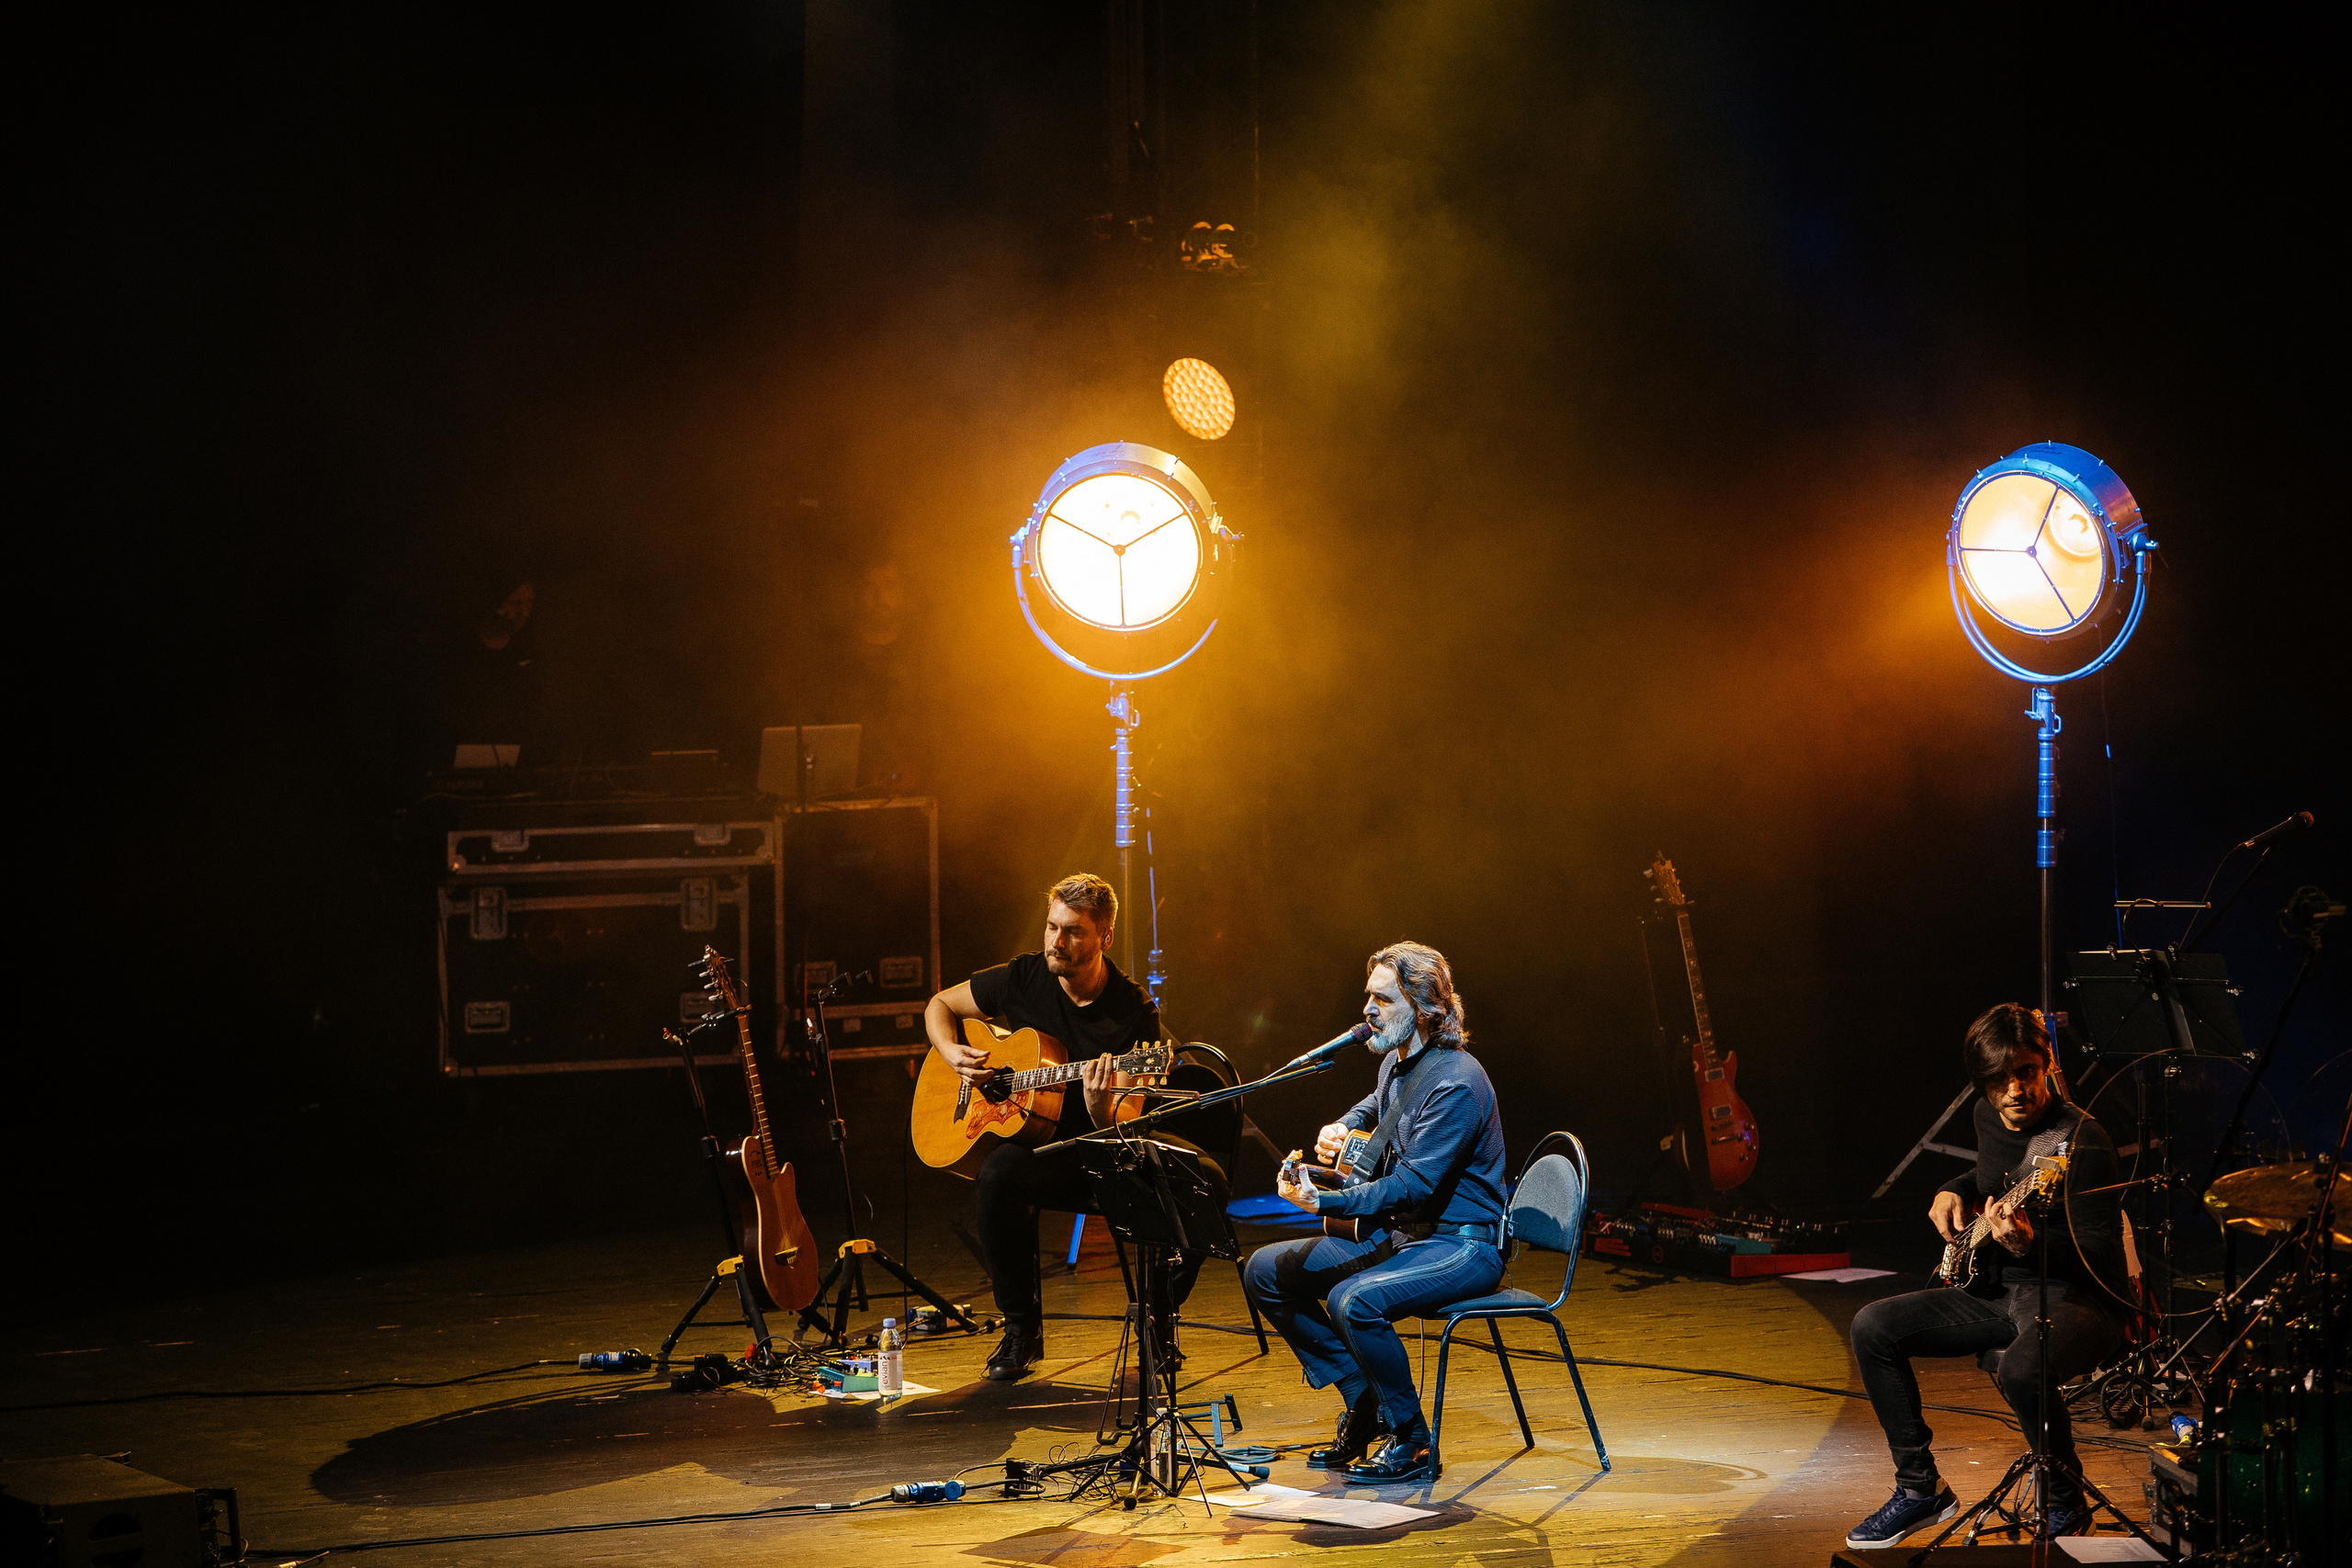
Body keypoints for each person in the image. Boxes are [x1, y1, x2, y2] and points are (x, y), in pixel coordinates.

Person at [1843, 1004, 2126, 1550]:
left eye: (2025, 1072)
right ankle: (1920, 1488)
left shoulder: (2083, 1141)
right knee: (1872, 1326)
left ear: (2047, 1062)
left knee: (2022, 1369)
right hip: (2000, 1289)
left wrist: (2032, 1244)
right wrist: (1953, 1186)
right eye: (1999, 1080)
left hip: (2079, 1297)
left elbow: (2100, 1252)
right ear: (1982, 1084)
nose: (2015, 1090)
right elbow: (1996, 1172)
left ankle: (2066, 1503)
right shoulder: (1985, 1115)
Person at [1240, 942, 1509, 1485]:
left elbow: (1411, 1186)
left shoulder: (1457, 1081)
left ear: (1425, 1007)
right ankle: (1363, 1397)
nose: (1368, 1009)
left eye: (1383, 1000)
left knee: (1353, 1300)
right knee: (1265, 1272)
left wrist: (1325, 1201)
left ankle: (1411, 1440)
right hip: (1405, 1236)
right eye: (1369, 996)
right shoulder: (1395, 1063)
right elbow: (1378, 1105)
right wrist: (1342, 1125)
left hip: (1461, 1244)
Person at [924, 874, 1199, 1380]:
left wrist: (1098, 1108)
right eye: (1052, 927)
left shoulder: (1133, 1011)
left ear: (1104, 937)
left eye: (1072, 931)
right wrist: (952, 1053)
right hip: (1040, 1144)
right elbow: (939, 1005)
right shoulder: (1024, 975)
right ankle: (1021, 1329)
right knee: (998, 1175)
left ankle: (1157, 1323)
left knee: (1194, 1189)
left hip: (1101, 1149)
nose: (1056, 941)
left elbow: (1126, 1125)